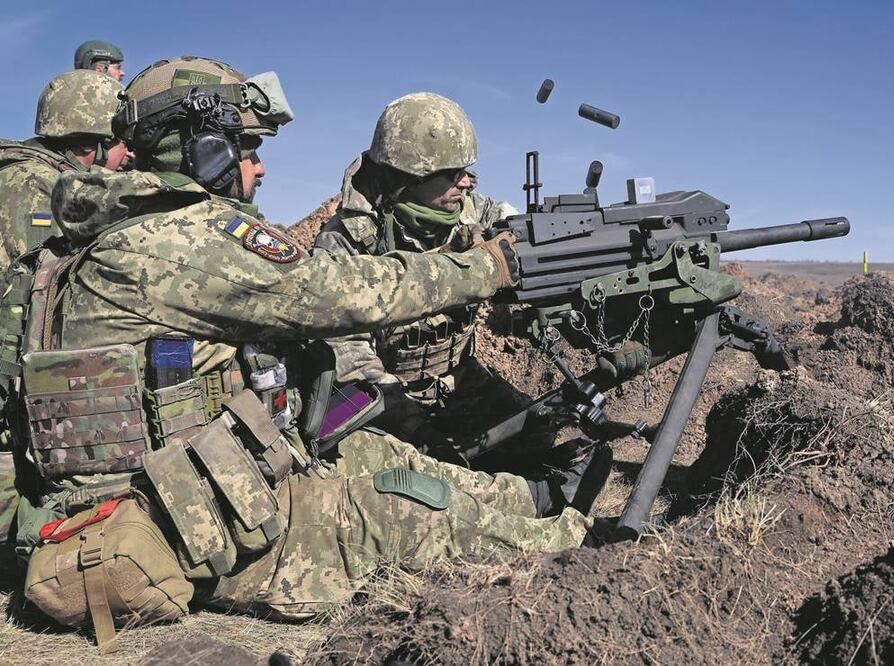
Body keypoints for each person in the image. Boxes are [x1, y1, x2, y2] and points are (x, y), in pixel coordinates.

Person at [9, 56, 611, 651]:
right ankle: (592, 554)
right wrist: (493, 265)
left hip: (204, 481)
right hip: (173, 525)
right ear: (203, 152)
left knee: (389, 459)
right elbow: (343, 292)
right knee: (404, 515)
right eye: (246, 149)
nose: (261, 167)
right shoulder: (174, 243)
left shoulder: (127, 232)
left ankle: (531, 501)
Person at [314, 94, 545, 464]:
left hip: (458, 380)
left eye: (468, 171)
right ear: (410, 175)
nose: (467, 182)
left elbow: (520, 232)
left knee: (540, 434)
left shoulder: (471, 211)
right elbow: (349, 355)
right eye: (453, 173)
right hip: (383, 396)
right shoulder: (345, 241)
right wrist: (415, 429)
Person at [0, 69, 132, 552]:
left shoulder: (12, 174)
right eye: (120, 142)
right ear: (90, 145)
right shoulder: (47, 192)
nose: (128, 155)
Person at [0, 70, 133, 268]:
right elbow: (36, 281)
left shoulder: (47, 174)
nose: (132, 154)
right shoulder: (35, 182)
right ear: (91, 143)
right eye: (125, 143)